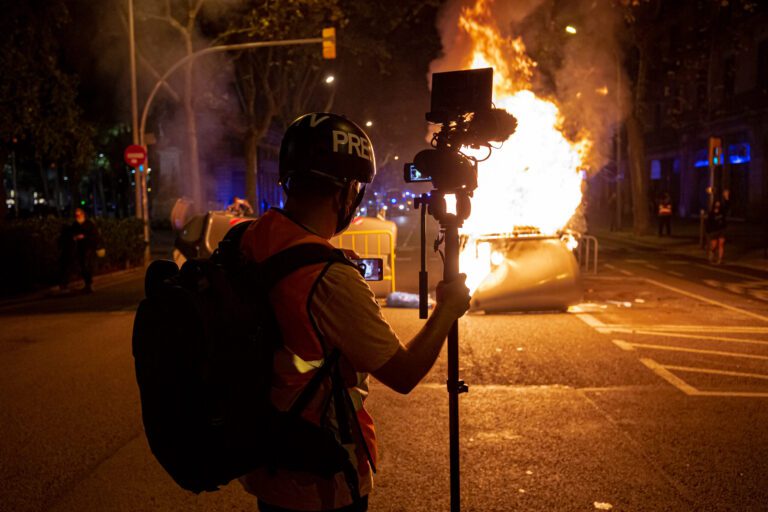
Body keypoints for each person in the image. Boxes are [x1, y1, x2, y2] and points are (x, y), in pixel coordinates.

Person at [238, 113, 471, 512]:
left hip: (268, 462)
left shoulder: (251, 237)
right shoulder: (328, 277)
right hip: (321, 476)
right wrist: (446, 309)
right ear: (345, 193)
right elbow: (403, 372)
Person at [59, 208, 100, 293]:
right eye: (76, 215)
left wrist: (84, 237)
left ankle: (89, 284)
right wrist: (74, 237)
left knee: (85, 266)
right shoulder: (75, 225)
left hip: (87, 248)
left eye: (78, 215)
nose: (77, 217)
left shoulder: (89, 224)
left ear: (83, 215)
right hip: (77, 248)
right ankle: (67, 285)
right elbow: (70, 234)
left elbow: (94, 236)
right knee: (77, 266)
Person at [705, 190, 730, 264]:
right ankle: (712, 253)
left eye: (719, 203)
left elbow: (727, 206)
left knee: (721, 244)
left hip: (722, 229)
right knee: (714, 245)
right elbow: (708, 222)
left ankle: (720, 259)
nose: (718, 204)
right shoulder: (711, 213)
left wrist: (726, 197)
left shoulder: (722, 211)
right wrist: (708, 231)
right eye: (716, 203)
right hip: (714, 230)